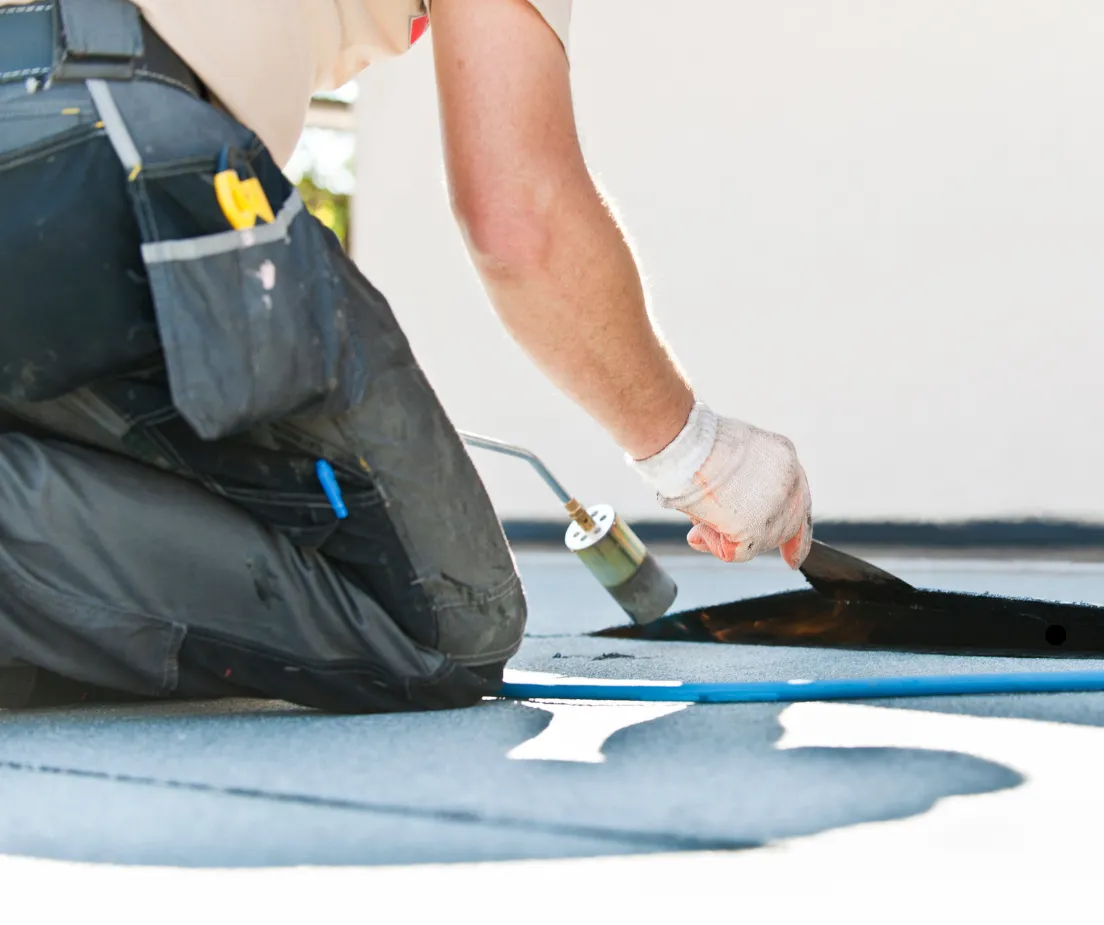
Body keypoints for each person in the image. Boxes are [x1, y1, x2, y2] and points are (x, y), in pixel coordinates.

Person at [0, 0, 812, 712]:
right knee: (446, 620)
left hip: (67, 151)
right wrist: (697, 451)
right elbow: (519, 219)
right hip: (99, 148)